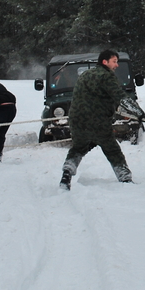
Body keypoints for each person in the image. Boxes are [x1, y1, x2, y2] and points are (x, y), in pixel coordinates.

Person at [60, 49, 140, 190]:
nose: (117, 65)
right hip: (98, 121)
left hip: (76, 121)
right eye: (114, 62)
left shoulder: (85, 75)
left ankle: (66, 175)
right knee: (112, 150)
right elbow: (120, 96)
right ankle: (125, 179)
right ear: (105, 62)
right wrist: (139, 113)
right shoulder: (106, 76)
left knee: (78, 148)